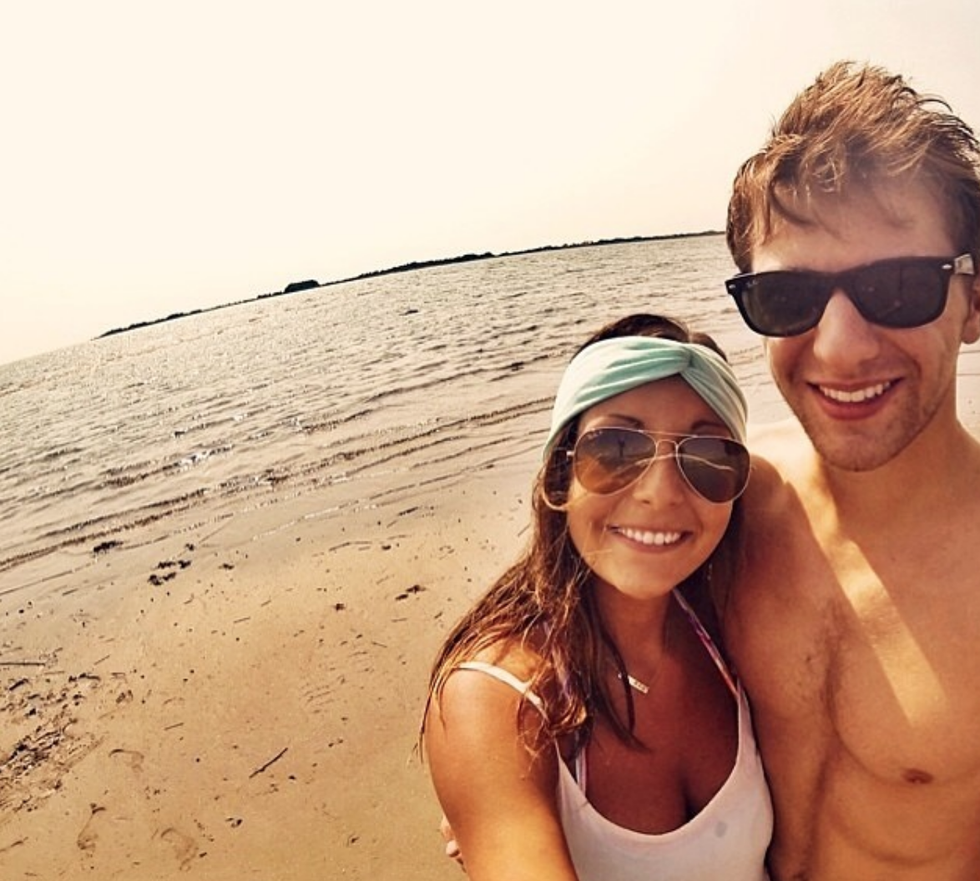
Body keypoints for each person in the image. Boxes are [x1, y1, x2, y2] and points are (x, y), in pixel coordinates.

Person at [721, 61, 980, 879]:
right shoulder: (724, 503)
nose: (838, 347)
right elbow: (554, 628)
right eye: (787, 297)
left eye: (898, 285)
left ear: (974, 304)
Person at [420, 314, 773, 880]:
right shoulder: (501, 702)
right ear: (559, 475)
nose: (659, 493)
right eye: (615, 448)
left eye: (708, 458)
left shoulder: (736, 624)